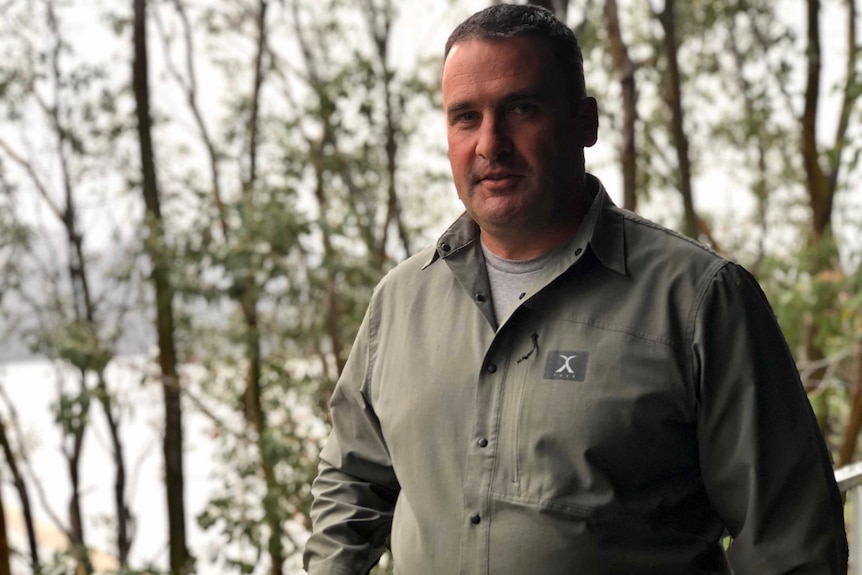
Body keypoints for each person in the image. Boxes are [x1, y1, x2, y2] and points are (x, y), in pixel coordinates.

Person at [303, 4, 848, 574]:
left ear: (584, 121)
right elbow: (350, 480)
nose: (492, 143)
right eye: (466, 116)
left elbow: (793, 543)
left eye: (521, 108)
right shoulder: (399, 304)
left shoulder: (698, 301)